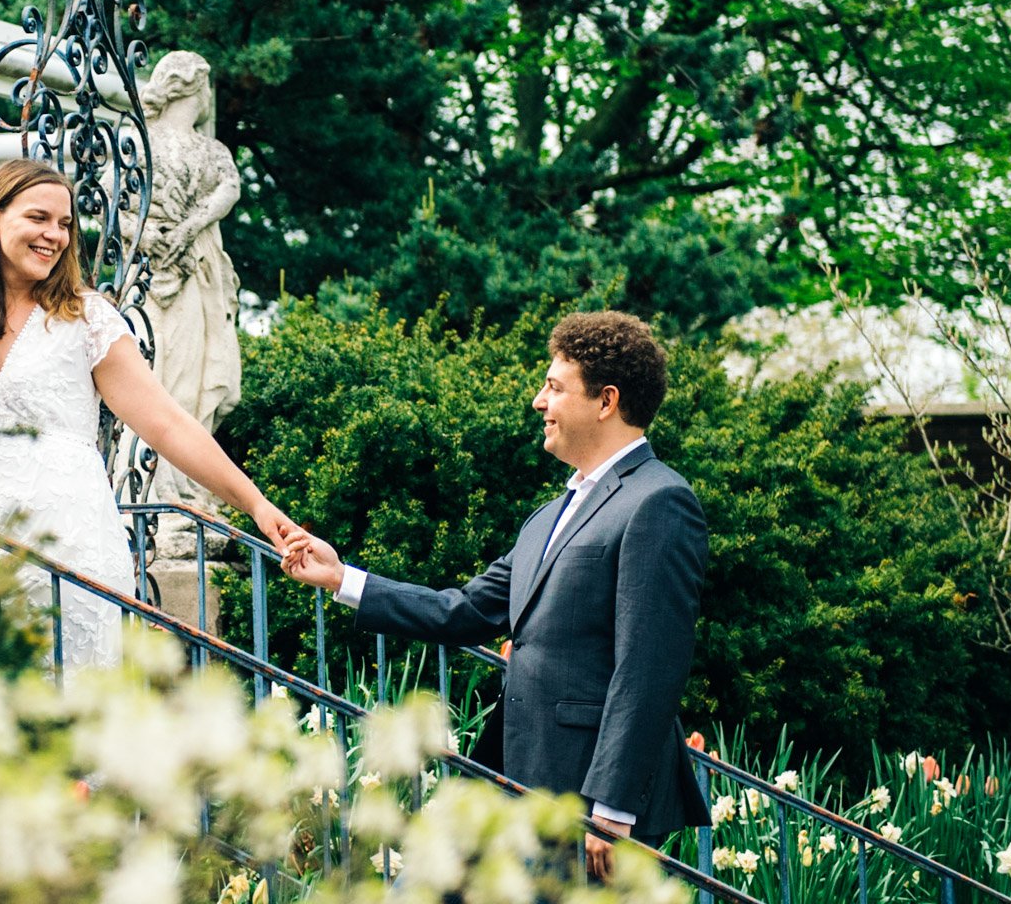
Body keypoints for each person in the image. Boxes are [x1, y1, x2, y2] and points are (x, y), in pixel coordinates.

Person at [281, 311, 711, 876]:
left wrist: (612, 806)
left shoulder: (659, 501)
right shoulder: (545, 519)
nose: (539, 401)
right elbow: (463, 610)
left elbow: (649, 666)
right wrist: (343, 579)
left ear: (606, 401)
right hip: (505, 782)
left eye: (555, 388)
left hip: (583, 803)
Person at [0, 158, 297, 667]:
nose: (54, 235)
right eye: (38, 218)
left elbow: (167, 424)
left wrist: (257, 506)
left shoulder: (86, 316)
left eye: (65, 224)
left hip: (71, 544)